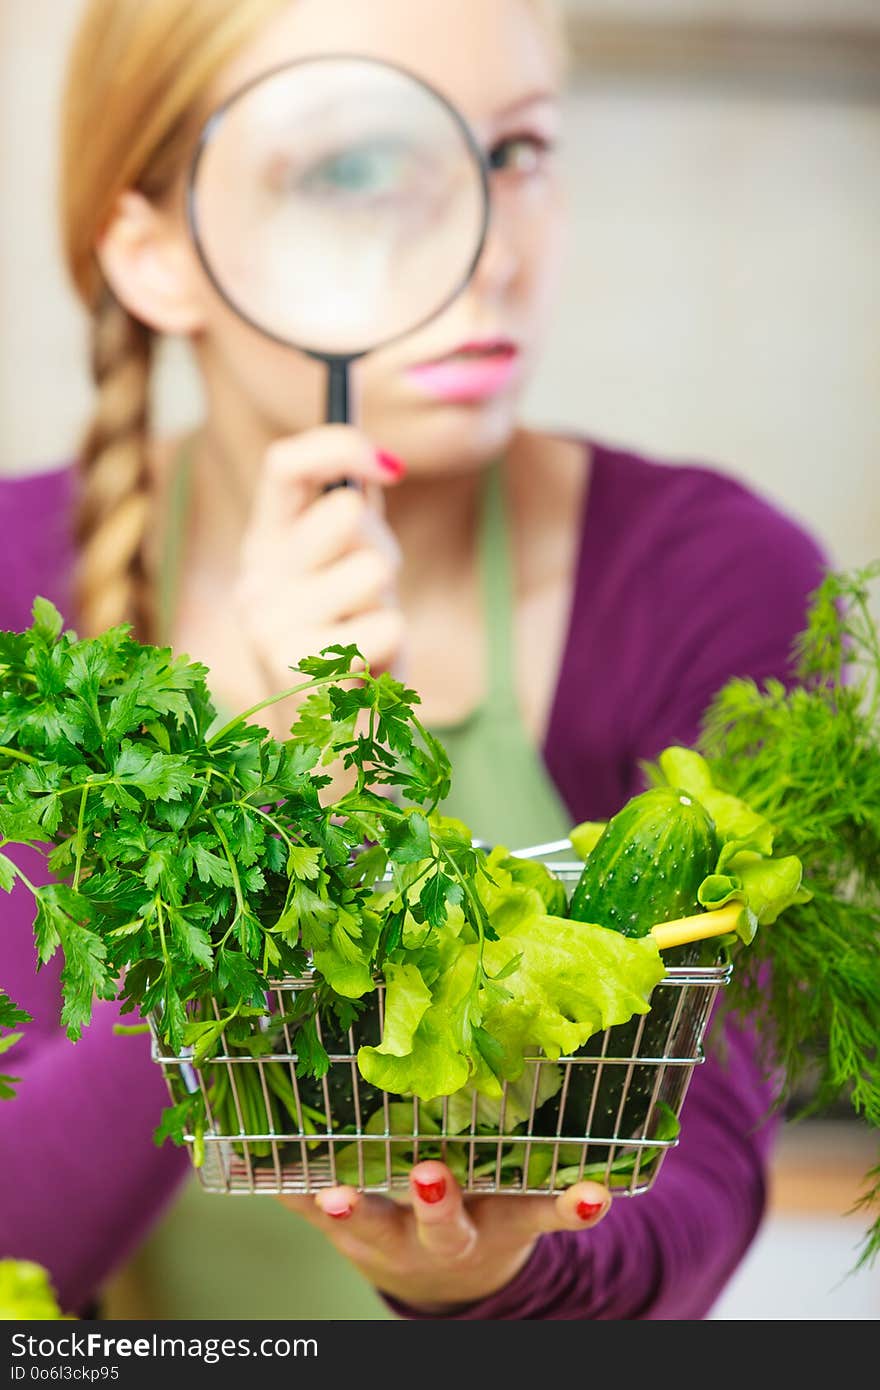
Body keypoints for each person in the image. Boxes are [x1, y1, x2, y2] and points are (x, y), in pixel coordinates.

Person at [0, 0, 829, 1321]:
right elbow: (18, 1239)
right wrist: (260, 792)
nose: (488, 250)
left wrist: (503, 1267)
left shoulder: (706, 575)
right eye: (354, 169)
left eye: (518, 154)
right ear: (154, 253)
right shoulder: (14, 592)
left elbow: (701, 1185)